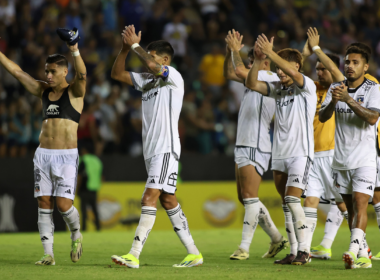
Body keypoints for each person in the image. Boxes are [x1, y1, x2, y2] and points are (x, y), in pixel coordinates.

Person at [110, 25, 202, 268]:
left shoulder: (172, 75)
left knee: (149, 197)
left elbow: (152, 66)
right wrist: (123, 50)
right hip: (151, 150)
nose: (146, 60)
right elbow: (117, 74)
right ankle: (194, 253)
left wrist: (134, 46)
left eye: (151, 55)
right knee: (168, 200)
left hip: (165, 147)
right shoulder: (147, 81)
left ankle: (134, 254)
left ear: (164, 59)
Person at [0, 28, 86, 265]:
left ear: (64, 72)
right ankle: (48, 253)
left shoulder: (75, 92)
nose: (48, 75)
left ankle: (76, 233)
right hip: (43, 155)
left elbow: (82, 76)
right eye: (46, 71)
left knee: (63, 205)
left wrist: (75, 50)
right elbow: (17, 72)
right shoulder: (43, 92)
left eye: (53, 71)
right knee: (44, 202)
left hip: (67, 156)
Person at [246, 35, 317, 265]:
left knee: (292, 200)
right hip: (279, 155)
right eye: (276, 68)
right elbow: (251, 84)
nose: (279, 72)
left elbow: (295, 75)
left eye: (282, 68)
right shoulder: (278, 89)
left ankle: (305, 250)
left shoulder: (306, 85)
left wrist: (271, 51)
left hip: (300, 153)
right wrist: (258, 60)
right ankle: (294, 251)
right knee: (287, 204)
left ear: (296, 66)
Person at [223, 30, 289, 260]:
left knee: (250, 196)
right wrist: (229, 51)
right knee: (244, 198)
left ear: (266, 61)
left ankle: (244, 247)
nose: (251, 64)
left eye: (255, 60)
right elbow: (230, 71)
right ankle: (276, 238)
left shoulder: (270, 77)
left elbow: (239, 70)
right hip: (243, 142)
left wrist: (235, 51)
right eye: (250, 60)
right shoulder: (254, 76)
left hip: (256, 142)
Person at [319, 42, 380, 269]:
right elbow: (323, 117)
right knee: (351, 211)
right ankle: (363, 256)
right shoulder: (336, 87)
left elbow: (372, 118)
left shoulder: (373, 89)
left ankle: (352, 251)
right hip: (341, 159)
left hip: (364, 159)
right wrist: (334, 101)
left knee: (361, 204)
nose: (350, 66)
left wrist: (348, 100)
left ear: (365, 67)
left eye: (356, 62)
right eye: (348, 62)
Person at [77, 142, 102, 231]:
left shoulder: (84, 160)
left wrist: (77, 189)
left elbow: (80, 176)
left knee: (83, 210)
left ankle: (84, 228)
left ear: (84, 151)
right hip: (94, 188)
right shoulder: (97, 160)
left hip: (85, 188)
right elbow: (101, 176)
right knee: (95, 209)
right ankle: (98, 227)